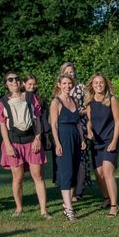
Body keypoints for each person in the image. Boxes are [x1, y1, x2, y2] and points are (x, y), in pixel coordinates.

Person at [0, 71, 51, 219]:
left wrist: (38, 138)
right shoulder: (3, 102)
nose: (14, 82)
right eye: (10, 80)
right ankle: (19, 208)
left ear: (20, 82)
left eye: (16, 79)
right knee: (17, 177)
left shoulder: (30, 97)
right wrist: (7, 145)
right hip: (14, 142)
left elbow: (38, 119)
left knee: (38, 176)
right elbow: (2, 124)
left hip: (32, 140)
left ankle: (43, 210)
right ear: (6, 83)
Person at [50, 73, 86, 220]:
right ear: (59, 84)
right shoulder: (56, 102)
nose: (67, 86)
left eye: (70, 84)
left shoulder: (74, 101)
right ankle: (69, 209)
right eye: (64, 83)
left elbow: (78, 122)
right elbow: (53, 124)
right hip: (63, 137)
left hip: (76, 137)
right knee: (66, 171)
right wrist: (57, 143)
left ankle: (67, 204)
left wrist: (82, 139)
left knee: (75, 170)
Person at [85, 73, 119, 218]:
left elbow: (118, 121)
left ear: (105, 84)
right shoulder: (89, 102)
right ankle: (106, 197)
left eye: (101, 83)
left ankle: (114, 206)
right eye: (96, 83)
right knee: (99, 174)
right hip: (96, 142)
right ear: (92, 85)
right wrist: (88, 130)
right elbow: (89, 121)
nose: (99, 85)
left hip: (109, 140)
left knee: (107, 172)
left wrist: (114, 141)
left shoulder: (112, 99)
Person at [59, 61, 91, 201]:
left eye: (72, 72)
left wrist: (77, 112)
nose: (70, 74)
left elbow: (88, 107)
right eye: (67, 72)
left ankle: (78, 191)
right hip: (65, 128)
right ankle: (67, 190)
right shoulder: (59, 90)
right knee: (67, 160)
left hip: (80, 126)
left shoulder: (81, 88)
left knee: (81, 159)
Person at [23, 74, 52, 151]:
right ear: (23, 84)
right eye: (29, 84)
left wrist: (47, 138)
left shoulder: (40, 99)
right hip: (24, 134)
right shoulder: (19, 98)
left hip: (39, 133)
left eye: (34, 84)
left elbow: (44, 120)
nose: (32, 86)